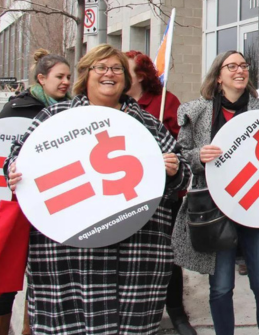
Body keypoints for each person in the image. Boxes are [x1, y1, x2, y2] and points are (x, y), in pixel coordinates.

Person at [4, 44, 191, 335]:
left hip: (135, 254)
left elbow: (183, 172)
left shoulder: (147, 125)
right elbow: (17, 159)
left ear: (126, 80)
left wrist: (175, 169)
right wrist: (14, 170)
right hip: (67, 255)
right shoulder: (54, 118)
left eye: (117, 68)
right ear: (86, 74)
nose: (109, 73)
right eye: (100, 67)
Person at [172, 50, 259, 335]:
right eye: (232, 66)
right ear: (218, 76)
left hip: (257, 207)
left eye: (244, 65)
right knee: (221, 287)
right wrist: (198, 157)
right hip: (216, 211)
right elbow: (182, 153)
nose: (240, 70)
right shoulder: (198, 111)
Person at [0, 48, 71, 335]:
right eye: (59, 76)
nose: (65, 82)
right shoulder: (14, 111)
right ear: (41, 78)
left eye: (68, 76)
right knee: (6, 280)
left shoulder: (74, 112)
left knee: (43, 279)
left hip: (57, 205)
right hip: (17, 207)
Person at [125, 50, 196, 335]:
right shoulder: (114, 105)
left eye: (124, 69)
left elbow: (179, 143)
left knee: (168, 257)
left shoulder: (166, 102)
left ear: (140, 75)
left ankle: (177, 312)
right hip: (125, 195)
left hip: (164, 198)